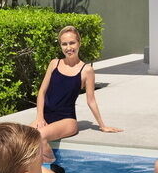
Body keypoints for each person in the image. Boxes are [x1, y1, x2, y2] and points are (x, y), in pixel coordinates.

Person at [32, 25, 122, 163]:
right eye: (64, 44)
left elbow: (91, 100)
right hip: (46, 117)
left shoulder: (86, 70)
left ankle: (52, 169)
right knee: (20, 138)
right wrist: (39, 117)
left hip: (67, 120)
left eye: (72, 43)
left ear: (79, 43)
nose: (69, 47)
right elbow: (42, 92)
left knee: (38, 136)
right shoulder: (54, 64)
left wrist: (102, 125)